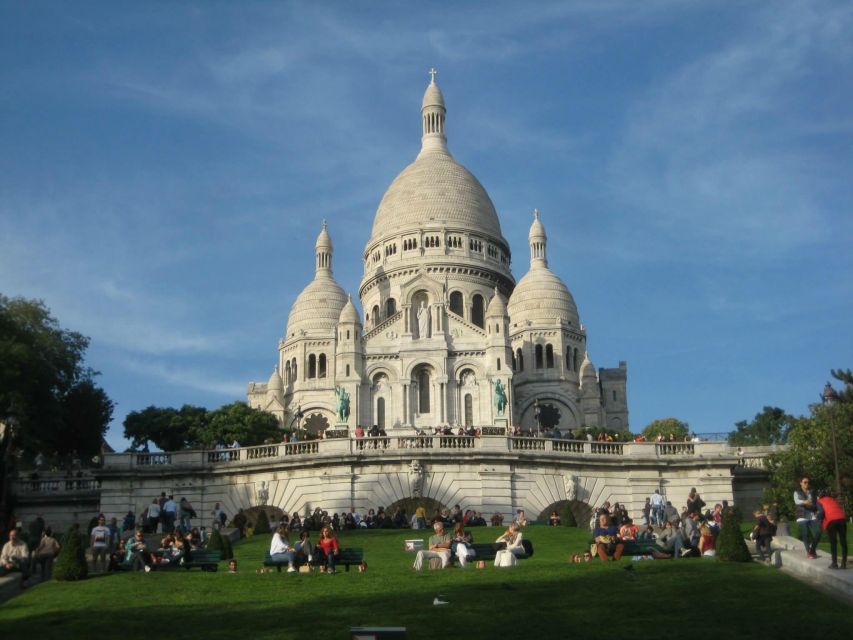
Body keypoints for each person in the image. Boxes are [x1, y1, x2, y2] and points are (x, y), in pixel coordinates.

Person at [817, 491, 847, 570]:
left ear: (819, 496)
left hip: (831, 521)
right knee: (843, 541)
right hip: (842, 519)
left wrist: (819, 521)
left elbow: (821, 512)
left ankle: (834, 563)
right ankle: (844, 563)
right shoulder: (833, 500)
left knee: (833, 543)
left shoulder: (819, 501)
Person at [794, 476, 821, 558]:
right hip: (802, 515)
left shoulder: (812, 492)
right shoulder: (797, 492)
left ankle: (812, 549)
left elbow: (815, 502)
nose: (807, 484)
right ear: (801, 483)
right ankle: (809, 552)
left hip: (812, 515)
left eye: (808, 482)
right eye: (805, 482)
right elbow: (797, 501)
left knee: (818, 532)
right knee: (805, 534)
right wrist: (805, 502)